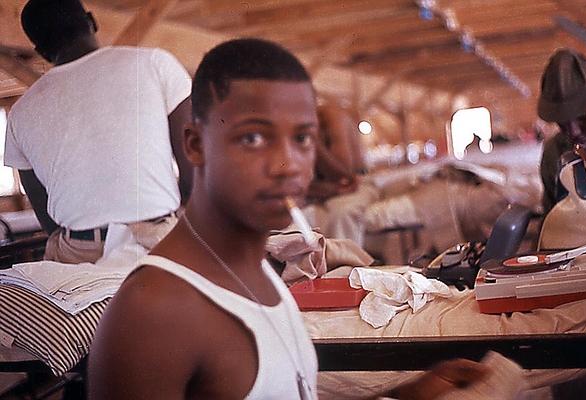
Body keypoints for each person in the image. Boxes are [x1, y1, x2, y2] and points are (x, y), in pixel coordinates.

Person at [87, 38, 488, 400]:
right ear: (194, 145)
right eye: (253, 138)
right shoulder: (153, 311)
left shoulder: (264, 274)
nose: (287, 165)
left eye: (302, 138)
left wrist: (409, 395)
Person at [3, 0, 192, 263]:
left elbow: (43, 210)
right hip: (159, 242)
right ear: (91, 21)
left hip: (78, 252)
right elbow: (195, 166)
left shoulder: (21, 111)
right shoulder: (154, 63)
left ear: (41, 51)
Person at [302, 103, 380, 247]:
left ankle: (344, 265)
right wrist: (330, 190)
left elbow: (345, 175)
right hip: (322, 191)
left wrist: (313, 140)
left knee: (342, 213)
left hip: (357, 184)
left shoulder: (332, 116)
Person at [537, 48, 586, 215]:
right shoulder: (554, 153)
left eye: (582, 117)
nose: (573, 132)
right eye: (562, 122)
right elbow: (552, 219)